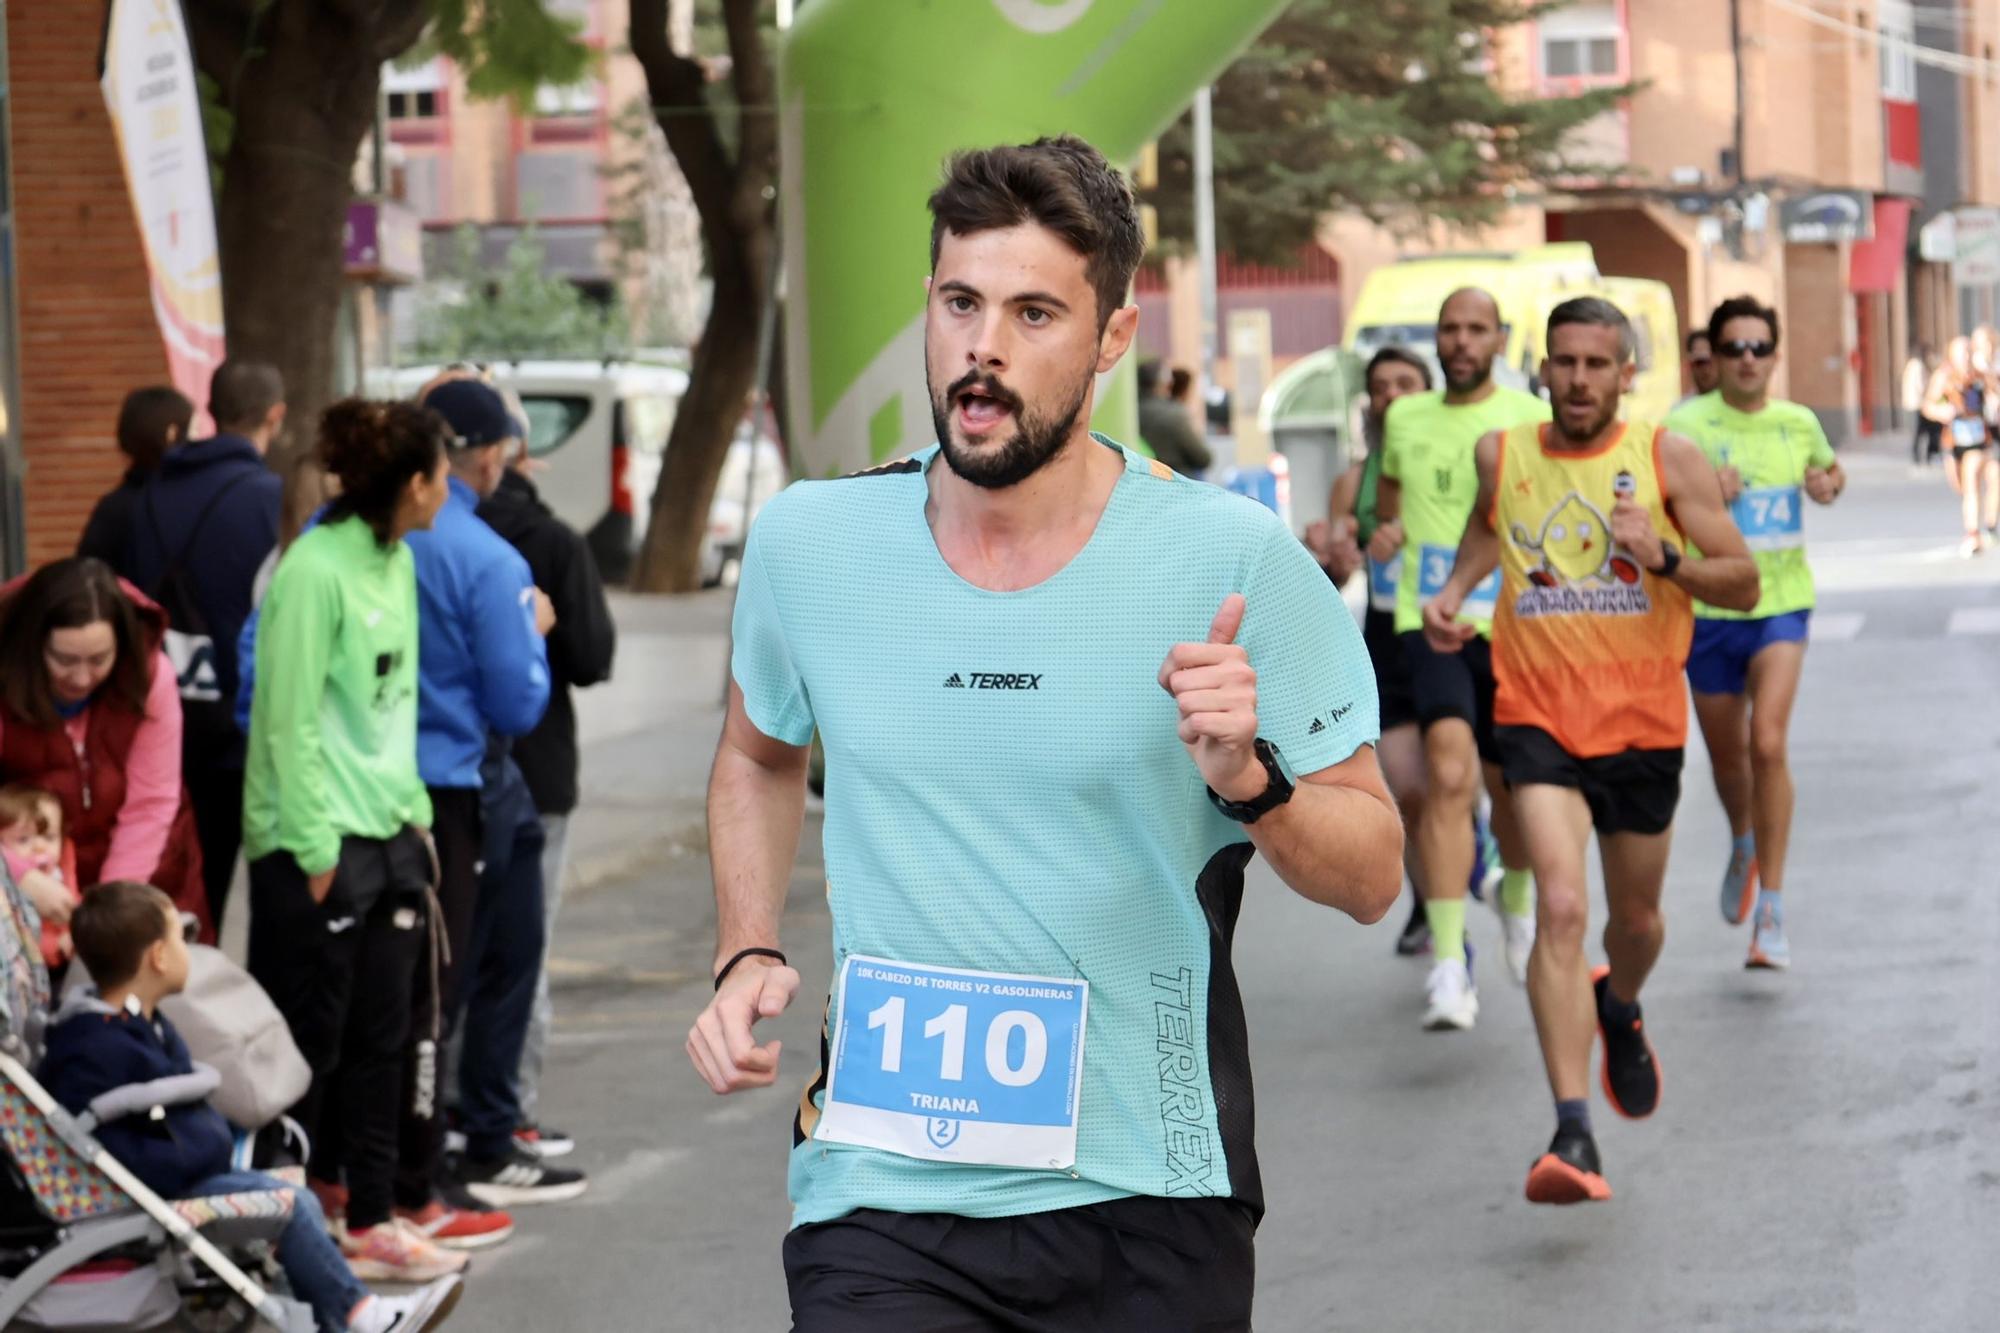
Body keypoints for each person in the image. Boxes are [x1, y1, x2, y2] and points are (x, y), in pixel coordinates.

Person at [686, 135, 1402, 1330]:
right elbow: (759, 753)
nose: (984, 347)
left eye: (1033, 314)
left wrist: (1254, 782)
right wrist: (745, 946)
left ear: (1111, 338)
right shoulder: (811, 542)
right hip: (879, 1190)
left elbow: (1376, 872)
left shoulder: (1230, 562)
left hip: (1147, 1195)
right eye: (962, 303)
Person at [1424, 296, 1759, 1204]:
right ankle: (1573, 1129)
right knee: (1562, 907)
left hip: (1643, 723)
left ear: (1624, 373)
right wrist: (1454, 590)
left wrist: (1664, 558)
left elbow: (1743, 577)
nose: (1579, 380)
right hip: (1536, 714)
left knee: (1636, 923)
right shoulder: (1506, 451)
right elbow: (1491, 526)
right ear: (1544, 368)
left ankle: (1619, 1002)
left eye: (1597, 365)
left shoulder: (1665, 459)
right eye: (1565, 362)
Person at [243, 398, 467, 1283]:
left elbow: (390, 704)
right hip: (316, 840)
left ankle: (370, 1215)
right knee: (309, 1048)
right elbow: (287, 720)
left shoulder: (396, 559)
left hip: (388, 832)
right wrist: (313, 845)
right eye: (440, 476)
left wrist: (409, 807)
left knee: (383, 1036)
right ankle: (285, 1231)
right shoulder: (312, 571)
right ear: (411, 484)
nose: (447, 491)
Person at [43, 882, 463, 1333]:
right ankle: (362, 1315)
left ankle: (346, 1318)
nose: (189, 949)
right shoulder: (99, 1044)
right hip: (146, 1193)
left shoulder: (139, 1025)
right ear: (158, 958)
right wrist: (209, 1141)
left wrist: (205, 1137)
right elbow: (129, 1150)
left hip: (169, 1181)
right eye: (179, 939)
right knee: (291, 1205)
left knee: (292, 1196)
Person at [392, 376, 579, 1241]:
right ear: (490, 454)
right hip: (469, 780)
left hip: (381, 785)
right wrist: (534, 634)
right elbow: (517, 702)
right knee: (486, 962)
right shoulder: (484, 557)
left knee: (411, 985)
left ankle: (399, 1163)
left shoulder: (345, 540)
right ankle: (473, 1142)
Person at [1369, 287, 1544, 1025]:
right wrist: (1385, 538)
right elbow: (1389, 505)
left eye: (1478, 329)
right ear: (1436, 340)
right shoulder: (1405, 416)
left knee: (1512, 795)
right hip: (1428, 620)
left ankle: (1514, 891)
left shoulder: (1528, 420)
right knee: (1447, 771)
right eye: (1451, 329)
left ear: (1500, 340)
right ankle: (1448, 965)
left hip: (1513, 627)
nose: (1463, 341)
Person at [1667, 297, 1844, 970]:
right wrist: (1703, 490)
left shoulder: (1797, 422)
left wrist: (1828, 482)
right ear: (1714, 355)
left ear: (1774, 354)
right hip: (1709, 613)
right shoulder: (1683, 427)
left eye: (1758, 347)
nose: (1747, 359)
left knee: (1767, 742)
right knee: (1728, 760)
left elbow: (1829, 472)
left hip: (1781, 606)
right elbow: (1655, 509)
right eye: (1734, 347)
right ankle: (1743, 838)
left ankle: (1771, 905)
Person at [476, 436, 616, 1157]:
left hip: (453, 778)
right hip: (538, 767)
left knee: (465, 950)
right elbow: (594, 657)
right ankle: (509, 1113)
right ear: (513, 455)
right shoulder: (549, 540)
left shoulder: (427, 537)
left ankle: (459, 1110)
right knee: (523, 950)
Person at [126, 360, 286, 933]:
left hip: (158, 711)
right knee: (264, 893)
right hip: (240, 724)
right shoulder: (270, 500)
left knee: (180, 885)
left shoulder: (147, 492)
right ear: (276, 416)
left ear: (210, 413)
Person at [1304, 347, 1437, 955]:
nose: (1391, 396)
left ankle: (1473, 851)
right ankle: (1432, 908)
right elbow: (1332, 580)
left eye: (1405, 384)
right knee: (1409, 788)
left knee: (1459, 781)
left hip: (1458, 634)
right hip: (1388, 638)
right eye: (1380, 387)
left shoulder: (1455, 461)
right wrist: (1332, 560)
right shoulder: (1354, 481)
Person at [0, 559, 207, 935]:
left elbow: (152, 801)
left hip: (146, 873)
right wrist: (17, 874)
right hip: (23, 892)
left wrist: (108, 913)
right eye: (64, 659)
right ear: (33, 644)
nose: (81, 677)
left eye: (99, 660)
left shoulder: (149, 674)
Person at [76, 387, 194, 571]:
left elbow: (89, 577)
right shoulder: (193, 499)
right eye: (192, 428)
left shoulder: (112, 507)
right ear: (172, 433)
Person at [1926, 336, 1998, 555]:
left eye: (1969, 352)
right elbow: (1928, 405)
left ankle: (1984, 528)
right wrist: (1942, 411)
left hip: (1981, 440)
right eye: (1961, 353)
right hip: (1955, 441)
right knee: (1966, 488)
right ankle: (1975, 529)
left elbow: (1994, 396)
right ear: (1952, 355)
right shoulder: (1944, 377)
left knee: (1992, 475)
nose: (1966, 357)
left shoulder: (1982, 376)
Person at [0, 784, 79, 969]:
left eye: (50, 837)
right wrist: (55, 946)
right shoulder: (6, 886)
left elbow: (73, 899)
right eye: (23, 839)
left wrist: (76, 932)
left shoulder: (62, 863)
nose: (40, 847)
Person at [1136, 357, 1213, 475]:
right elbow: (1203, 458)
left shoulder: (1132, 412)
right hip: (1177, 481)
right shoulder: (1174, 414)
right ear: (1164, 383)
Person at [1905, 345, 1942, 467]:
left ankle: (1920, 456)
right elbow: (1921, 386)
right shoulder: (1918, 366)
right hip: (1918, 404)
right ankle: (1921, 456)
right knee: (1922, 431)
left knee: (1919, 432)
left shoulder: (1912, 365)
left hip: (1913, 403)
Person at [1679, 330, 1720, 406]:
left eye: (1710, 361)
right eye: (1700, 362)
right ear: (1690, 365)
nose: (1706, 369)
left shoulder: (1737, 405)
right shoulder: (1681, 408)